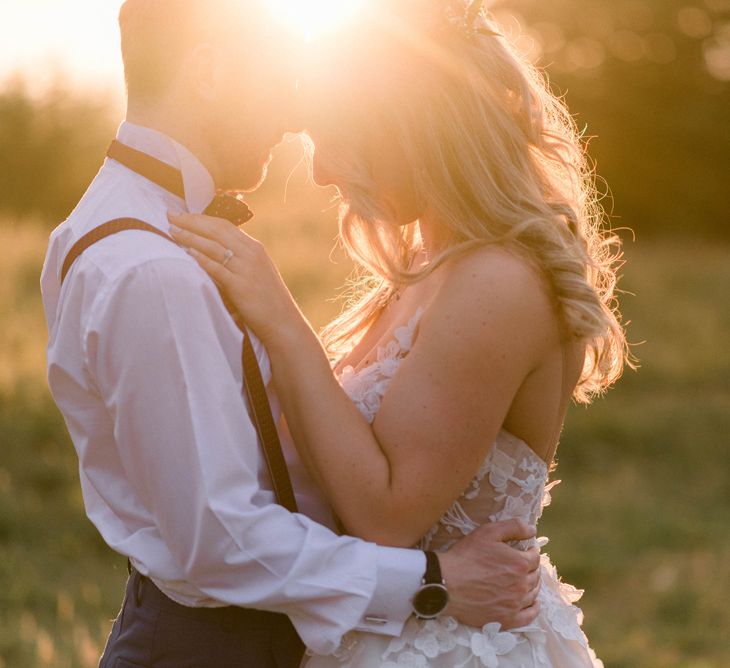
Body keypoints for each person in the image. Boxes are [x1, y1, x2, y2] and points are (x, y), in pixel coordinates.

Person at [40, 1, 542, 667]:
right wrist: (433, 584)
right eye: (276, 80)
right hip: (211, 648)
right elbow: (221, 538)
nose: (289, 118)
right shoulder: (151, 269)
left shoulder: (116, 231)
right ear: (211, 71)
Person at [168, 0, 630, 665]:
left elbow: (388, 516)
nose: (324, 171)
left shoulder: (496, 280)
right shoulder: (426, 268)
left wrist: (282, 320)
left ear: (411, 128)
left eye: (336, 137)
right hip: (390, 630)